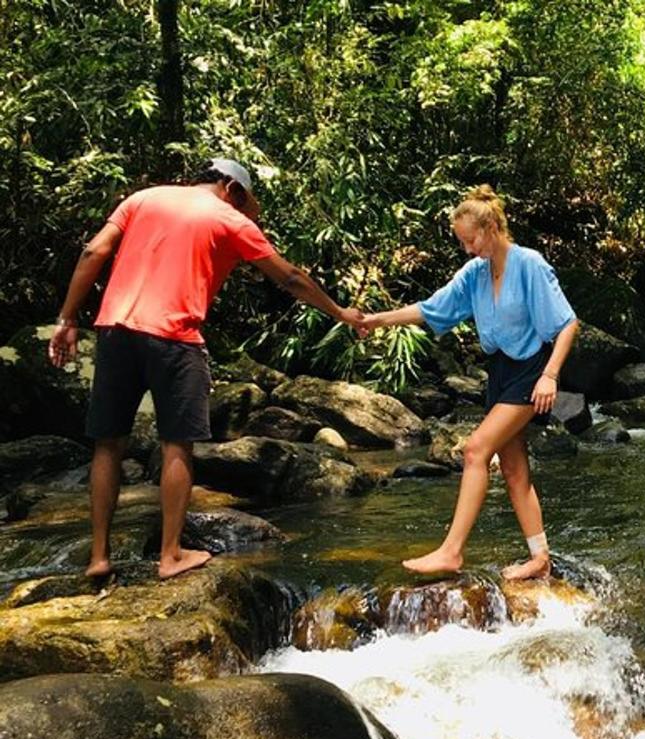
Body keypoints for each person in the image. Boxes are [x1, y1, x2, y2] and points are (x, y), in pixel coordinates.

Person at [48, 158, 364, 579]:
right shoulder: (229, 220)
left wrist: (67, 320)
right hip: (174, 337)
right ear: (231, 188)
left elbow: (94, 250)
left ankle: (99, 557)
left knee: (108, 443)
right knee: (177, 444)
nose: (244, 211)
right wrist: (340, 312)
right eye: (245, 203)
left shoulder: (142, 199)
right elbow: (289, 278)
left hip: (114, 330)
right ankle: (171, 555)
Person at [360, 185, 578, 580]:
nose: (467, 248)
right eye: (462, 242)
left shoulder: (529, 264)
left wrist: (551, 376)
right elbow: (432, 308)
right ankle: (540, 558)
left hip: (532, 370)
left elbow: (567, 324)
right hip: (499, 371)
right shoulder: (475, 274)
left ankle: (452, 550)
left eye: (470, 239)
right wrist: (376, 320)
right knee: (514, 470)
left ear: (492, 226)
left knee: (476, 449)